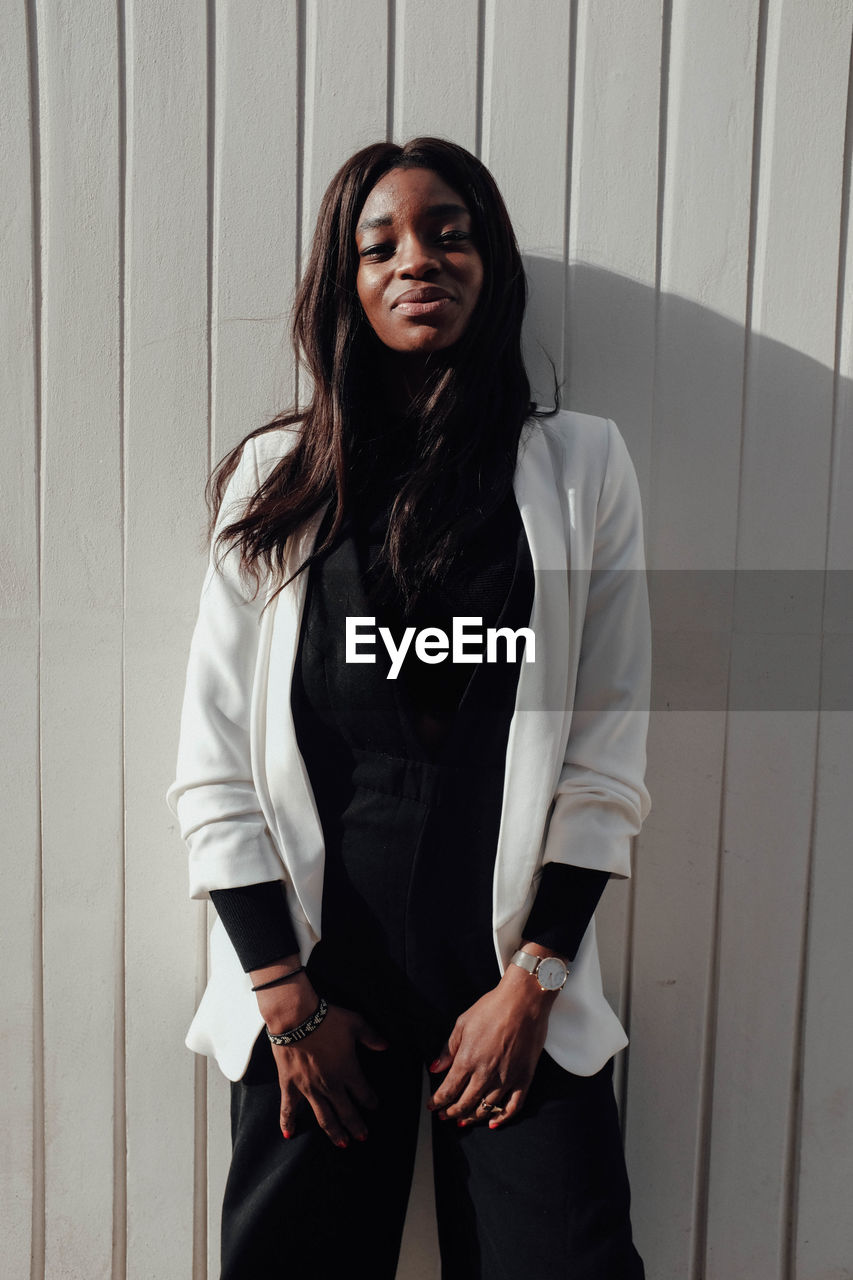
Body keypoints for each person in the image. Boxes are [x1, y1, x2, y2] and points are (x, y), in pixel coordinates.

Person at [168, 137, 651, 1279]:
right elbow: (214, 765)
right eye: (377, 244)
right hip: (321, 990)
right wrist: (285, 999)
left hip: (509, 984)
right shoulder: (279, 479)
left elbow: (605, 748)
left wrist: (532, 983)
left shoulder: (579, 468)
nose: (415, 260)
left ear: (492, 264)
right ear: (344, 284)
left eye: (448, 232)